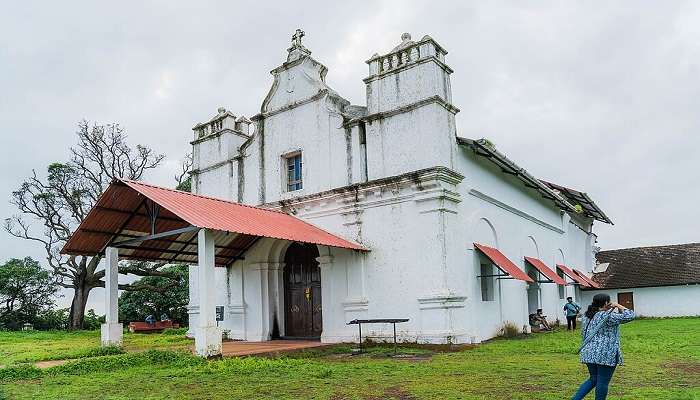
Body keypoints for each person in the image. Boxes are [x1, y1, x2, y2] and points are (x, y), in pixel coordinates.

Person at [572, 293, 635, 400]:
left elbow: (621, 319)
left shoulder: (587, 316)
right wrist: (618, 305)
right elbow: (630, 316)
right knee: (603, 381)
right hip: (605, 353)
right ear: (606, 303)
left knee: (593, 379)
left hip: (589, 352)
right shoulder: (607, 316)